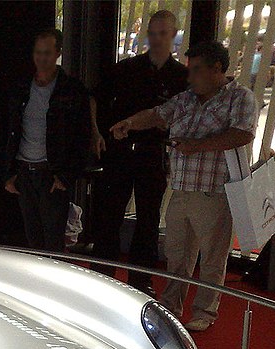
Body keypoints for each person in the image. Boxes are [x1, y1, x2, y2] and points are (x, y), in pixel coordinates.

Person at [111, 40, 258, 332]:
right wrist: (129, 122)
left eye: (197, 70)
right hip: (180, 189)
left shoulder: (240, 98)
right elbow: (156, 114)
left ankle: (204, 311)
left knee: (212, 258)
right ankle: (172, 305)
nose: (190, 78)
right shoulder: (187, 98)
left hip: (214, 191)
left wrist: (198, 146)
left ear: (217, 69)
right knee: (177, 254)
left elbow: (242, 134)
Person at [90, 9, 188, 296]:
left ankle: (140, 279)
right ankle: (102, 274)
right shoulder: (127, 68)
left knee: (148, 218)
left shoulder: (181, 77)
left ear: (173, 35)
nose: (157, 39)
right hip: (119, 150)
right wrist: (96, 134)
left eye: (163, 33)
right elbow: (94, 97)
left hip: (152, 154)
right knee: (109, 215)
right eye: (153, 33)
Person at [4, 28, 91, 253]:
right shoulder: (21, 87)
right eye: (38, 53)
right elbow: (10, 130)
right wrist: (10, 172)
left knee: (53, 240)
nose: (42, 59)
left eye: (47, 53)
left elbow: (81, 137)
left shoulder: (70, 90)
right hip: (25, 170)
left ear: (58, 53)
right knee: (32, 238)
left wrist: (65, 176)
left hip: (50, 173)